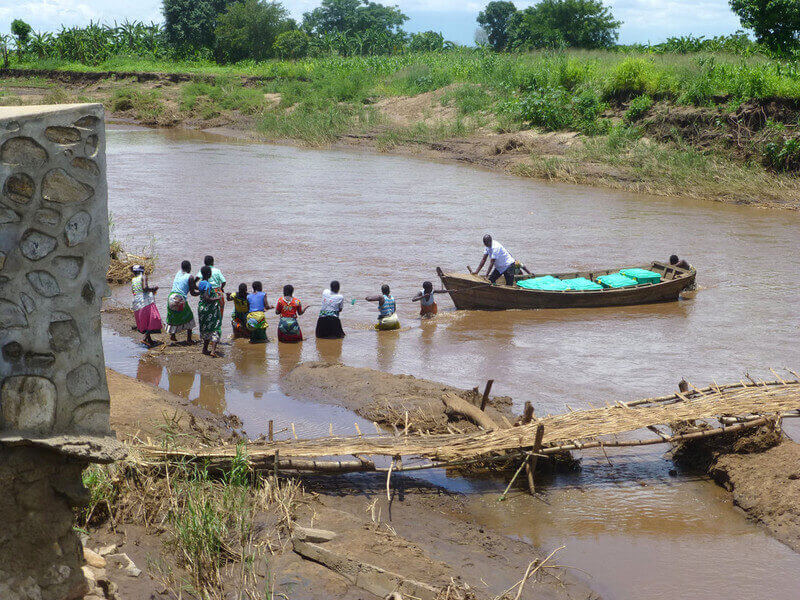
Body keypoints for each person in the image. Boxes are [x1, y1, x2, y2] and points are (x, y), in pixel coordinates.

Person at [130, 265, 162, 347]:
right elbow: (145, 288)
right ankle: (145, 339)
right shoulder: (143, 277)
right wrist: (153, 289)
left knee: (145, 320)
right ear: (141, 271)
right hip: (145, 301)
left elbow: (133, 291)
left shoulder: (133, 280)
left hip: (137, 302)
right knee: (152, 318)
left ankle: (149, 340)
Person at [166, 260, 196, 344]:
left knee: (173, 316)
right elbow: (193, 293)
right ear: (189, 268)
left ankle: (172, 335)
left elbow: (190, 285)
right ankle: (189, 339)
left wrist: (195, 282)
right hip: (180, 299)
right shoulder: (190, 277)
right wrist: (202, 292)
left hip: (171, 297)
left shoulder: (178, 273)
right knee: (189, 317)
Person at [196, 265, 222, 357]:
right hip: (209, 310)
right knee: (215, 327)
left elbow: (201, 295)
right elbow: (207, 297)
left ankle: (205, 349)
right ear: (209, 274)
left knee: (206, 329)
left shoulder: (201, 283)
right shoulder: (207, 284)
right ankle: (213, 351)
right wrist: (217, 298)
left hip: (202, 308)